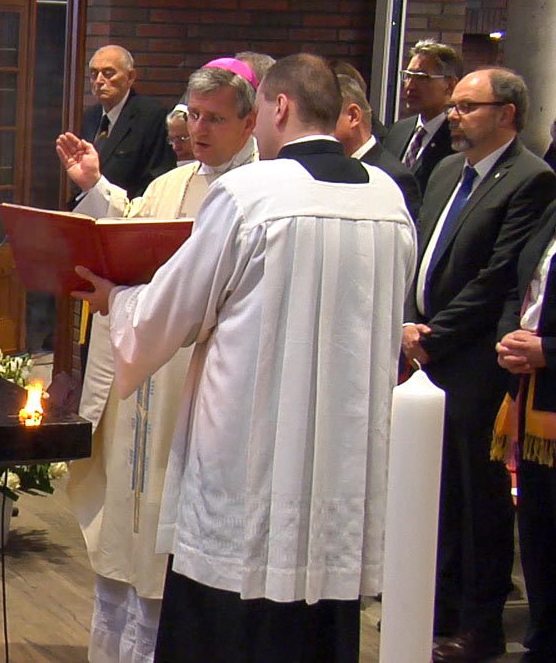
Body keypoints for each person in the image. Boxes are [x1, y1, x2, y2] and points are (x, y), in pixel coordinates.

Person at [72, 53, 416, 662]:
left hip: (249, 460)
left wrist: (115, 301)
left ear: (278, 107)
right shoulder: (387, 198)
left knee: (231, 623)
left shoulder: (249, 194)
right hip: (340, 463)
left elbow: (170, 311)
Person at [57, 57, 259, 663]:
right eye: (194, 115)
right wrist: (94, 185)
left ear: (250, 122)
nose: (199, 129)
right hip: (147, 370)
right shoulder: (174, 183)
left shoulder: (260, 191)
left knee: (174, 519)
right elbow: (128, 232)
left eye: (215, 118)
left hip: (201, 375)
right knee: (131, 511)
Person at [401, 67, 556, 663]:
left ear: (507, 114)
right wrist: (408, 321)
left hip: (476, 360)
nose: (455, 115)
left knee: (477, 500)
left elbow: (498, 277)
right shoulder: (447, 169)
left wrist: (435, 336)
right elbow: (420, 252)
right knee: (434, 489)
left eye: (469, 106)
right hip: (427, 348)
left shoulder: (531, 179)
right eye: (456, 105)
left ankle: (480, 621)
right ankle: (435, 606)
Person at [494, 197, 556, 663]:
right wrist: (509, 337)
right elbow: (522, 283)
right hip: (532, 390)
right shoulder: (551, 209)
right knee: (538, 530)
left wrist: (548, 350)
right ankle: (543, 639)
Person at [79, 45, 175, 199]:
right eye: (94, 74)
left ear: (130, 77)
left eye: (108, 73)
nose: (99, 81)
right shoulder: (90, 117)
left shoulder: (151, 115)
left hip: (131, 208)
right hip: (89, 205)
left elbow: (158, 175)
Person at [333, 73, 422, 216]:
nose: (315, 128)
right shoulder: (330, 168)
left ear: (353, 116)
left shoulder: (395, 177)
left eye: (325, 118)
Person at [383, 39, 463, 194]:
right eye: (408, 76)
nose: (410, 86)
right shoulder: (398, 130)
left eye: (421, 77)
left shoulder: (458, 138)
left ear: (450, 85)